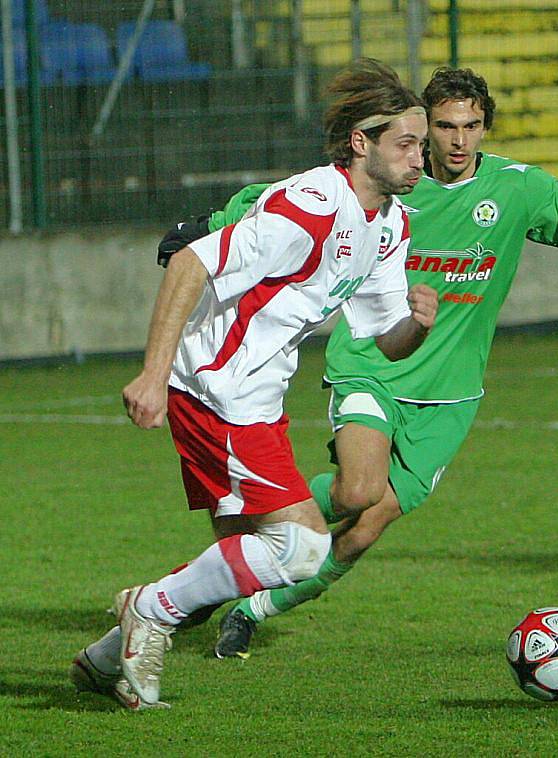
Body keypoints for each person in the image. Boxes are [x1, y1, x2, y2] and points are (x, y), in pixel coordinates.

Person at [153, 67, 558, 662]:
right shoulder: (394, 184)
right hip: (374, 361)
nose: (459, 140)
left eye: (472, 126)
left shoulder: (518, 189)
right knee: (358, 487)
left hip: (451, 391)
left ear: (486, 128)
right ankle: (242, 549)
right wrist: (210, 224)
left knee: (365, 527)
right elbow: (280, 202)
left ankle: (251, 608)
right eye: (446, 126)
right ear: (423, 128)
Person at [69, 58, 438, 710]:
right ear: (362, 142)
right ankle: (145, 608)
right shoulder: (311, 209)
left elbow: (385, 336)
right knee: (301, 548)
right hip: (216, 388)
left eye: (422, 145)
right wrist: (153, 376)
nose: (419, 157)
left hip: (254, 396)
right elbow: (190, 262)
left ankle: (106, 660)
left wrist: (418, 323)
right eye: (406, 143)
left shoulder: (387, 224)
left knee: (244, 555)